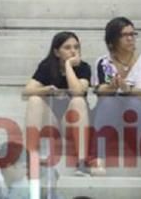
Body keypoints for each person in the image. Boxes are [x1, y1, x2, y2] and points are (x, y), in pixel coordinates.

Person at [23, 31, 92, 175]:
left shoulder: (84, 67)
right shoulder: (47, 66)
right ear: (56, 52)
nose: (73, 51)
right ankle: (31, 157)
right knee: (35, 100)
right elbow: (26, 91)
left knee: (78, 101)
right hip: (51, 121)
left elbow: (78, 91)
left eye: (76, 47)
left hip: (72, 121)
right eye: (67, 48)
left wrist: (68, 66)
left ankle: (82, 162)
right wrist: (45, 89)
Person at [90, 16, 141, 170]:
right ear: (113, 40)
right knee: (109, 101)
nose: (131, 39)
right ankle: (99, 159)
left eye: (133, 34)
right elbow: (99, 89)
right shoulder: (103, 62)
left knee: (134, 102)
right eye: (126, 35)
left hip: (135, 113)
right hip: (108, 112)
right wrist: (111, 87)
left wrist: (127, 89)